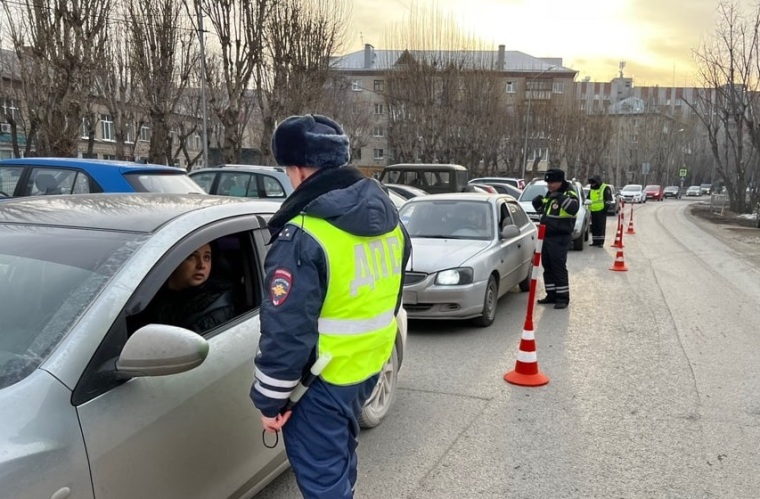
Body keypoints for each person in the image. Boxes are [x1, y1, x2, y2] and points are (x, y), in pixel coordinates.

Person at [249, 114, 411, 499]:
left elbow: (287, 329)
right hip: (367, 365)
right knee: (339, 463)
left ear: (299, 169)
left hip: (319, 382)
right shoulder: (390, 221)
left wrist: (270, 401)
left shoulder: (304, 233)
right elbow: (393, 291)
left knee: (324, 484)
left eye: (287, 169)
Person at [137, 243, 238, 334]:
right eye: (192, 256)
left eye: (206, 257)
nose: (201, 265)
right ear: (174, 261)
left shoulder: (213, 304)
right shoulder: (143, 296)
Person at [531, 169, 579, 309]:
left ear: (560, 181)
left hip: (560, 236)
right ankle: (551, 294)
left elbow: (573, 208)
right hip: (547, 235)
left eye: (552, 182)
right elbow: (545, 211)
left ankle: (562, 298)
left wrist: (560, 197)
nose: (549, 185)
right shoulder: (551, 193)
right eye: (547, 182)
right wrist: (538, 204)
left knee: (558, 267)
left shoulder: (569, 193)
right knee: (548, 266)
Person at [588, 175, 613, 247]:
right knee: (594, 227)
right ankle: (595, 241)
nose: (592, 185)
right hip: (593, 210)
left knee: (600, 227)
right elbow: (589, 197)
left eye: (593, 183)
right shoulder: (592, 188)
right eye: (591, 183)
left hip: (601, 211)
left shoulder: (605, 188)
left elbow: (608, 200)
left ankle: (601, 242)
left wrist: (605, 210)